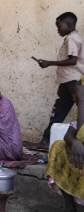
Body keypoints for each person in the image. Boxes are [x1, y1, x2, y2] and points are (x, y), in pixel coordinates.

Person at [31, 12, 83, 150]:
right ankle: (46, 141)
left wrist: (49, 63)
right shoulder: (70, 38)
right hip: (66, 82)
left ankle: (77, 141)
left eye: (59, 26)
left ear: (69, 24)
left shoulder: (72, 38)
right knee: (57, 113)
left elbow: (72, 60)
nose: (58, 30)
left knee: (79, 111)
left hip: (74, 82)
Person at [46, 77, 84, 212]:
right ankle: (70, 210)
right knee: (59, 146)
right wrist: (74, 141)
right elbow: (72, 133)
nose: (73, 97)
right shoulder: (79, 111)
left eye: (77, 94)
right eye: (75, 94)